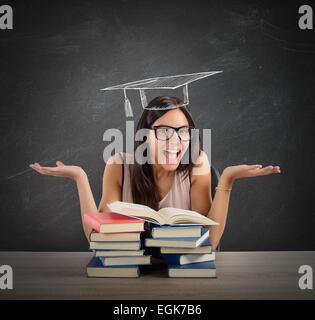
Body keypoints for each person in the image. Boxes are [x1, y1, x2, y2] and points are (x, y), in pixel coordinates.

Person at [29, 96, 281, 251]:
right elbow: (99, 240)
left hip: (183, 280)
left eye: (183, 131)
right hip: (131, 280)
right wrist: (80, 178)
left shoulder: (197, 164)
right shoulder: (119, 165)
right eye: (164, 132)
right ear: (144, 135)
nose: (176, 141)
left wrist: (227, 179)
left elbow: (210, 242)